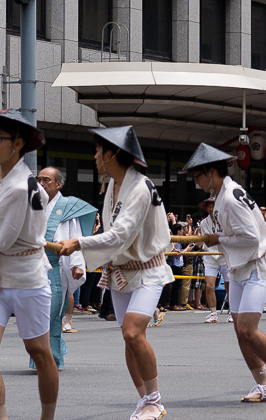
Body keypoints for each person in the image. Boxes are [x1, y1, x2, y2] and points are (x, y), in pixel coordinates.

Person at [60, 127, 171, 419]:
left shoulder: (140, 187)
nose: (95, 156)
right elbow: (113, 233)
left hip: (149, 269)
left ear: (111, 153)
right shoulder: (115, 183)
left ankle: (155, 400)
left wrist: (79, 243)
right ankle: (146, 399)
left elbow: (120, 234)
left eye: (98, 151)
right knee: (128, 335)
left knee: (134, 332)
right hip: (122, 269)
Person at [0, 109, 59, 420]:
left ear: (18, 143)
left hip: (27, 276)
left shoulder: (22, 186)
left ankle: (47, 417)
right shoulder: (1, 176)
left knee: (40, 353)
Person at [186, 143, 266, 403]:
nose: (196, 182)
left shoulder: (230, 197)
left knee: (247, 328)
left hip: (259, 263)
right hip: (241, 266)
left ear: (211, 172)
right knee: (240, 331)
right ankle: (261, 383)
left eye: (197, 176)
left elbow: (251, 237)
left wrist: (216, 238)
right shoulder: (224, 194)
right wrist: (217, 239)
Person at [26, 168, 95, 370]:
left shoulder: (67, 207)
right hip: (32, 266)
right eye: (38, 180)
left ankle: (49, 359)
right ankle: (45, 356)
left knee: (52, 311)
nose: (41, 184)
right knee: (35, 314)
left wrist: (77, 265)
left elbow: (74, 236)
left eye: (46, 180)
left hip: (55, 266)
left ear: (58, 184)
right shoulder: (30, 204)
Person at [197, 198, 228, 322]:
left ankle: (233, 313)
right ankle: (213, 313)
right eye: (208, 206)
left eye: (213, 206)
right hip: (210, 256)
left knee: (229, 287)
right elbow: (207, 240)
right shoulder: (204, 223)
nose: (211, 209)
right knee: (209, 286)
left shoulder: (226, 220)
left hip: (225, 256)